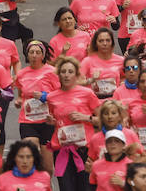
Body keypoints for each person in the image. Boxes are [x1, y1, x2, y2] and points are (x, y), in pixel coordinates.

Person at [48, 56, 102, 191]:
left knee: (85, 187)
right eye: (63, 71)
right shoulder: (51, 97)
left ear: (77, 75)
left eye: (70, 72)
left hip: (84, 149)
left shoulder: (87, 93)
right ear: (59, 74)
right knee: (66, 188)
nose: (66, 75)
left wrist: (86, 118)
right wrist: (51, 122)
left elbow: (103, 120)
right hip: (63, 150)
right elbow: (55, 120)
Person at [13, 40, 59, 171]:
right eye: (31, 52)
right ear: (27, 55)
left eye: (37, 52)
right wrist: (19, 101)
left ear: (43, 55)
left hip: (47, 121)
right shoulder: (21, 74)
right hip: (28, 120)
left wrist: (45, 96)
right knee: (31, 151)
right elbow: (21, 95)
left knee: (48, 167)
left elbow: (59, 94)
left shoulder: (52, 72)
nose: (34, 55)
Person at [80, 27, 124, 99]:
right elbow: (77, 82)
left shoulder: (121, 60)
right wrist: (91, 80)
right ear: (96, 43)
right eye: (101, 41)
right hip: (94, 100)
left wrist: (123, 84)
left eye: (108, 40)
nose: (105, 43)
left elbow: (126, 77)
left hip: (114, 102)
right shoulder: (87, 61)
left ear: (112, 42)